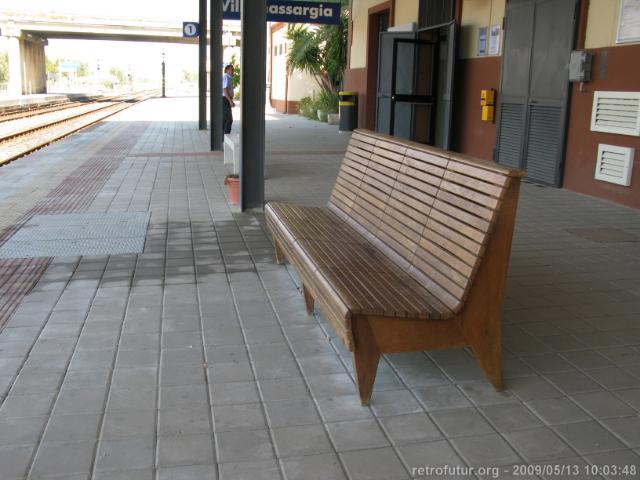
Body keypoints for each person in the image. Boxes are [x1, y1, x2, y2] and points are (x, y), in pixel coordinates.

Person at [222, 65, 235, 134]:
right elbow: (225, 90)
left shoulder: (228, 78)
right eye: (231, 69)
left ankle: (222, 137)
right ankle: (226, 136)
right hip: (225, 100)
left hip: (226, 99)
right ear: (227, 70)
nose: (233, 71)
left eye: (233, 70)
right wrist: (230, 101)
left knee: (225, 118)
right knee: (229, 119)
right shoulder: (226, 77)